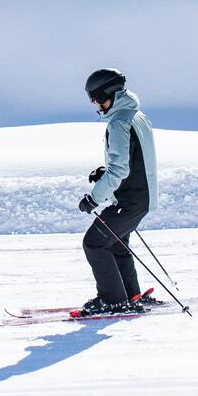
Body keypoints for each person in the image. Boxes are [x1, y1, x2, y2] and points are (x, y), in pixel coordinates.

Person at [76, 68, 160, 314]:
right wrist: (106, 172)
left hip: (131, 199)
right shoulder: (135, 115)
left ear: (108, 94)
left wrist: (94, 198)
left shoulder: (119, 122)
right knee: (115, 243)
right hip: (139, 196)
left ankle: (113, 300)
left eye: (96, 97)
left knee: (94, 243)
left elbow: (120, 170)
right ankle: (130, 295)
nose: (94, 103)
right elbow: (131, 160)